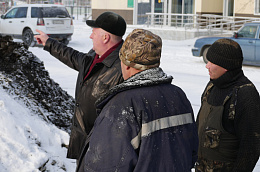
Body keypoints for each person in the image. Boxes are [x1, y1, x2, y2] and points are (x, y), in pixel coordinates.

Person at [76, 29, 199, 172]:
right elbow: (192, 151)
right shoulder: (178, 95)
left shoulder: (121, 106)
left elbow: (105, 164)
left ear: (126, 63)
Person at [34, 11, 126, 160]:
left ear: (105, 37)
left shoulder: (122, 68)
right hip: (85, 143)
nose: (90, 36)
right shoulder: (95, 56)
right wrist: (49, 43)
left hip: (102, 150)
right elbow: (74, 57)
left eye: (93, 33)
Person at [195, 38, 260, 171]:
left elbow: (250, 148)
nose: (207, 65)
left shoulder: (245, 95)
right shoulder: (212, 85)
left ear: (226, 66)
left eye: (212, 62)